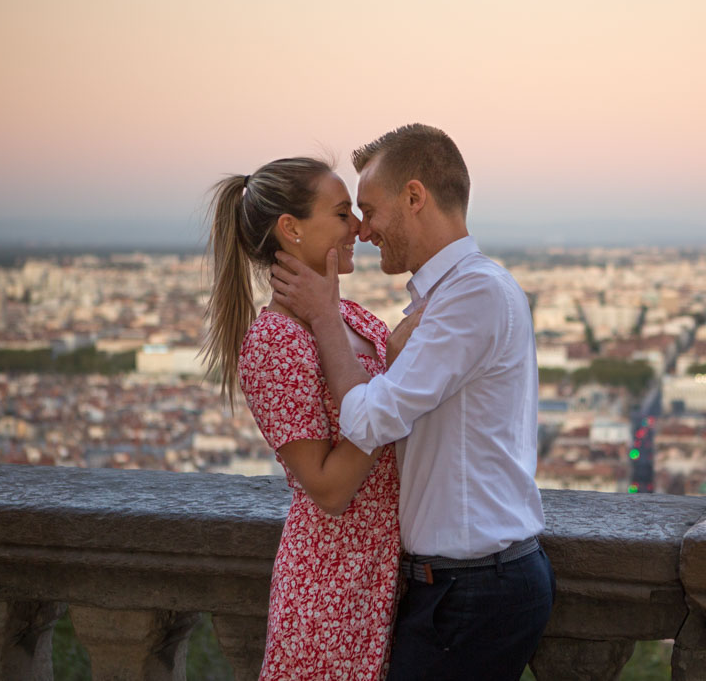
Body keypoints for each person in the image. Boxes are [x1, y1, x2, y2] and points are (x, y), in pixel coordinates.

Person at [270, 124, 555, 681]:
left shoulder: (471, 295)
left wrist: (325, 317)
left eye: (370, 210)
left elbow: (367, 420)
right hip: (466, 584)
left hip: (473, 587)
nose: (364, 229)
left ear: (415, 197)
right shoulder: (460, 293)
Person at [203, 156, 419, 680]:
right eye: (342, 214)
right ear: (291, 228)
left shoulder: (349, 316)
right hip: (331, 590)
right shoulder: (275, 342)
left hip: (385, 574)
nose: (359, 228)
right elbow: (328, 488)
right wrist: (389, 394)